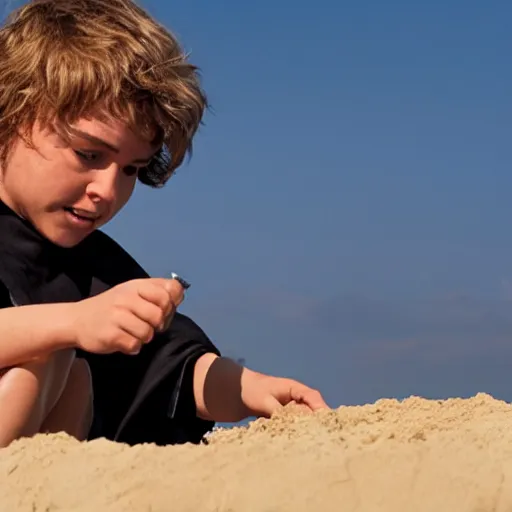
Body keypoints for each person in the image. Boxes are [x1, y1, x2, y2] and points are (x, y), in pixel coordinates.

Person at [0, 0, 329, 449]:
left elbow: (166, 363)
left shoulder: (89, 264)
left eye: (131, 169)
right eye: (88, 155)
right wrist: (72, 323)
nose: (107, 190)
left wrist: (251, 390)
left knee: (73, 375)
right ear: (12, 118)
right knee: (44, 359)